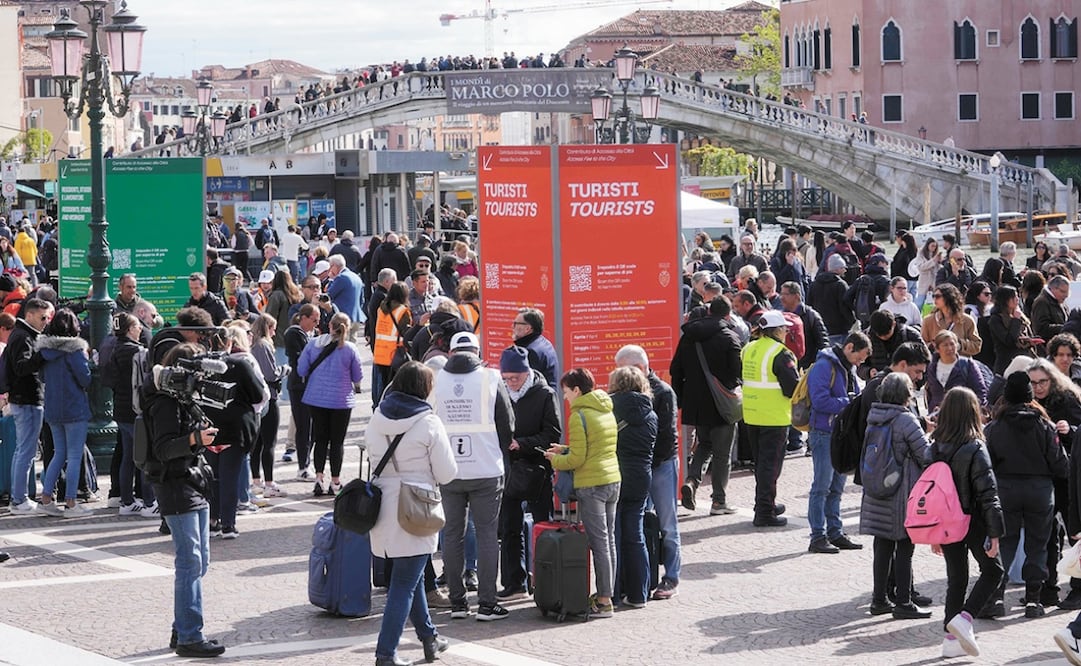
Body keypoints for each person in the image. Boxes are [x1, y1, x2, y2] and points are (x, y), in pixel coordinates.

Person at [367, 361, 457, 666]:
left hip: (382, 507)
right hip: (416, 506)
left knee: (410, 577)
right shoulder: (429, 422)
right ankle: (385, 654)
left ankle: (429, 638)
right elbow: (446, 473)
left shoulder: (377, 418)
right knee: (404, 584)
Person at [143, 342, 226, 658]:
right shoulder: (164, 402)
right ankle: (191, 635)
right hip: (174, 485)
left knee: (201, 560)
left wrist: (205, 442)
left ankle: (182, 626)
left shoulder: (185, 398)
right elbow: (163, 449)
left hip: (194, 481)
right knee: (190, 560)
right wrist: (194, 439)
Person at [432, 331, 514, 622]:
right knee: (487, 535)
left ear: (452, 353)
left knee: (452, 534)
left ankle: (457, 603)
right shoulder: (491, 378)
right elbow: (508, 425)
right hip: (486, 468)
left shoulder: (437, 379)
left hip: (449, 470)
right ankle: (488, 604)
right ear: (478, 353)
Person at [985, 371, 1068, 619]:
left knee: (1005, 543)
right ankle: (1034, 600)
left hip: (1006, 490)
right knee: (1038, 545)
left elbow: (987, 462)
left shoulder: (995, 427)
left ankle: (996, 596)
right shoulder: (1045, 425)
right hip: (1040, 491)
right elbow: (1061, 465)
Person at [932, 387, 1004, 660]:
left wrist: (934, 533)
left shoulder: (935, 445)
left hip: (947, 523)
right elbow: (988, 493)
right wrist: (995, 532)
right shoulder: (975, 447)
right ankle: (965, 618)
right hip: (973, 521)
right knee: (993, 571)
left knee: (957, 578)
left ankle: (950, 640)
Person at [545, 368, 621, 618]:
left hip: (592, 484)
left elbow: (578, 459)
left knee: (598, 543)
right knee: (608, 540)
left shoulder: (578, 416)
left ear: (576, 390)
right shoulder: (604, 408)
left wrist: (554, 459)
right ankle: (607, 594)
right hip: (612, 479)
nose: (565, 397)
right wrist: (565, 448)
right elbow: (595, 446)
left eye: (566, 392)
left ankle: (604, 600)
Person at [861, 372, 933, 619]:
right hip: (901, 492)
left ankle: (878, 599)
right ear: (906, 394)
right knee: (904, 546)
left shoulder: (874, 417)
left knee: (881, 546)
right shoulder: (905, 420)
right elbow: (926, 455)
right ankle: (903, 602)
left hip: (876, 492)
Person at [615, 344, 682, 600]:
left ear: (640, 368)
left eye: (623, 370)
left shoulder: (663, 392)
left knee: (667, 524)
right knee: (641, 524)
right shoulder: (627, 393)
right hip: (641, 467)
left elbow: (665, 435)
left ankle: (672, 576)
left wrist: (644, 462)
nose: (620, 375)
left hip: (661, 464)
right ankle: (644, 576)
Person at [497, 345, 560, 601]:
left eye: (516, 378)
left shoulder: (544, 394)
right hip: (510, 470)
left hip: (537, 469)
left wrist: (521, 443)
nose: (511, 383)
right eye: (506, 378)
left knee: (542, 523)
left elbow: (553, 434)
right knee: (509, 527)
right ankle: (515, 582)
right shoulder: (499, 391)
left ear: (527, 373)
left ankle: (545, 580)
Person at [670, 296, 743, 514]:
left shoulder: (688, 336)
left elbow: (676, 370)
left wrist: (682, 399)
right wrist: (731, 389)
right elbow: (737, 373)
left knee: (704, 445)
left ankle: (691, 482)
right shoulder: (730, 337)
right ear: (727, 315)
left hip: (695, 402)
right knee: (722, 453)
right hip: (721, 404)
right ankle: (719, 501)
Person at [806, 332, 871, 554]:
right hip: (824, 433)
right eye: (859, 358)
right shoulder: (825, 366)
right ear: (849, 347)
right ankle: (817, 536)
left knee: (836, 488)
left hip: (840, 434)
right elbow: (820, 400)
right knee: (821, 488)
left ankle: (835, 532)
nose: (859, 363)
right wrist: (850, 402)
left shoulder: (847, 367)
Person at [740, 310, 800, 527]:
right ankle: (764, 512)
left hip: (752, 414)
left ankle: (765, 503)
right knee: (770, 467)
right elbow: (792, 388)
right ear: (777, 330)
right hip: (773, 417)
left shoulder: (749, 348)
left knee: (761, 465)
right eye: (784, 328)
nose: (786, 332)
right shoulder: (781, 353)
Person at [33, 309, 93, 518]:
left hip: (53, 407)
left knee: (59, 453)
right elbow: (85, 378)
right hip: (74, 406)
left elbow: (42, 376)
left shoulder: (46, 352)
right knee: (75, 455)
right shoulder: (75, 351)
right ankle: (70, 502)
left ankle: (46, 498)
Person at [299, 312, 364, 496]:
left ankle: (319, 477)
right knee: (337, 442)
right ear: (347, 328)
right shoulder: (350, 349)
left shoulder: (314, 344)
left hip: (316, 397)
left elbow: (302, 368)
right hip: (341, 399)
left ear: (329, 326)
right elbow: (358, 376)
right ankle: (335, 481)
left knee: (320, 439)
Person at [608, 366, 657, 609]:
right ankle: (639, 594)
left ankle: (613, 594)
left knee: (613, 536)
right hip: (641, 477)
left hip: (615, 474)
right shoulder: (651, 414)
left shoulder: (609, 410)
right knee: (635, 535)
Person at [101, 312, 157, 518]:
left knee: (127, 456)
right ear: (128, 330)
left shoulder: (112, 348)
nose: (140, 329)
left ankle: (127, 501)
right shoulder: (138, 352)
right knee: (144, 457)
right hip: (136, 410)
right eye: (136, 326)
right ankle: (150, 503)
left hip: (120, 409)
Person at [6, 297, 54, 514]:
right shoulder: (23, 336)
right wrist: (42, 355)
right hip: (27, 398)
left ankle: (19, 497)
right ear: (31, 314)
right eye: (43, 317)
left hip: (24, 398)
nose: (46, 321)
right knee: (25, 451)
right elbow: (21, 367)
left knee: (23, 451)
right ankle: (19, 499)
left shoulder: (21, 334)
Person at [249, 313, 287, 498]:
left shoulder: (253, 345)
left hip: (255, 399)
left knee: (257, 443)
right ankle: (269, 482)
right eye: (272, 328)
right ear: (267, 328)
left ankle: (256, 480)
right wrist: (284, 370)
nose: (274, 333)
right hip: (268, 397)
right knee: (269, 442)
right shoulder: (263, 346)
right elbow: (271, 374)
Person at [284, 304, 318, 475]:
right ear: (303, 318)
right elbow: (301, 359)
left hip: (309, 385)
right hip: (299, 385)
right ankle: (302, 466)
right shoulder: (293, 333)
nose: (316, 324)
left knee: (311, 426)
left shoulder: (309, 334)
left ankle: (307, 462)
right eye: (314, 320)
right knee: (303, 425)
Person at [925, 330, 988, 414]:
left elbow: (980, 391)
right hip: (938, 416)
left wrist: (976, 412)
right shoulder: (931, 367)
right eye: (945, 345)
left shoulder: (967, 365)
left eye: (952, 344)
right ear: (937, 348)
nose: (950, 348)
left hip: (962, 416)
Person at [372, 282, 411, 407]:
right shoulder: (402, 311)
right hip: (395, 353)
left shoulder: (381, 309)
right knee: (393, 386)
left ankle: (379, 408)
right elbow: (406, 332)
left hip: (380, 352)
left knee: (381, 386)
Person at [987, 285, 1038, 375]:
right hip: (1007, 364)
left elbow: (1027, 334)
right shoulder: (996, 319)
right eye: (1013, 297)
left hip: (1025, 361)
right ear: (1005, 300)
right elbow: (1009, 340)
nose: (1017, 299)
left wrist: (1030, 341)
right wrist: (1015, 320)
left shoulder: (1020, 315)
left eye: (1017, 296)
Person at [808, 254, 856, 345]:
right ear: (837, 269)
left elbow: (809, 305)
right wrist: (851, 322)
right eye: (842, 268)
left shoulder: (814, 284)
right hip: (839, 330)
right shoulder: (841, 285)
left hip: (821, 330)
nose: (845, 270)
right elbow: (845, 307)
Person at [922, 284, 981, 357]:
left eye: (937, 296)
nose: (934, 299)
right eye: (933, 296)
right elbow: (922, 343)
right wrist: (932, 346)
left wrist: (959, 345)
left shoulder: (967, 320)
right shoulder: (928, 320)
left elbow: (977, 345)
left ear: (948, 297)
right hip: (937, 363)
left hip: (960, 363)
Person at [512, 307, 559, 388]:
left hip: (539, 399)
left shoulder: (530, 351)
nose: (513, 327)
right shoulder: (543, 342)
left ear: (527, 328)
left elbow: (525, 386)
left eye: (516, 323)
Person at [1032, 275, 1071, 344]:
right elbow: (1041, 329)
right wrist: (1066, 327)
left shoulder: (1060, 301)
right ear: (1053, 288)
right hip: (1048, 347)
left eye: (1067, 292)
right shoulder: (1042, 302)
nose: (1066, 295)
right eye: (1063, 291)